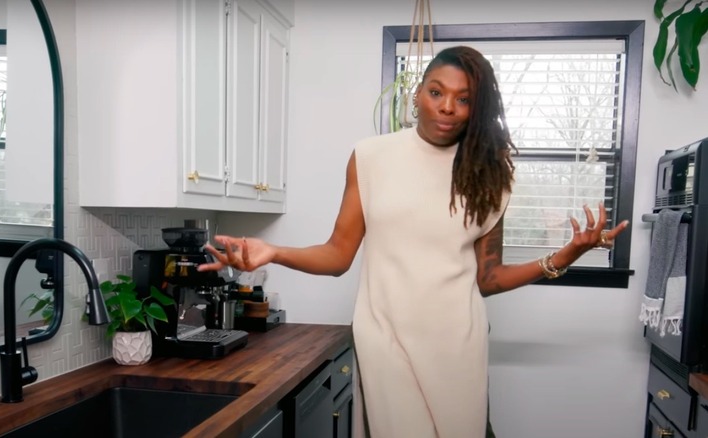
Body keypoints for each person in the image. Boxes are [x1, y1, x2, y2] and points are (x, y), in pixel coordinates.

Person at [198, 45, 629, 438]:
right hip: (384, 340)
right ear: (418, 93)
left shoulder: (492, 176)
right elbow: (337, 255)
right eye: (437, 92)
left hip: (457, 346)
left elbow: (489, 278)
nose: (448, 107)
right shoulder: (370, 157)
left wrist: (566, 255)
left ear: (476, 109)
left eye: (464, 99)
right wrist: (275, 251)